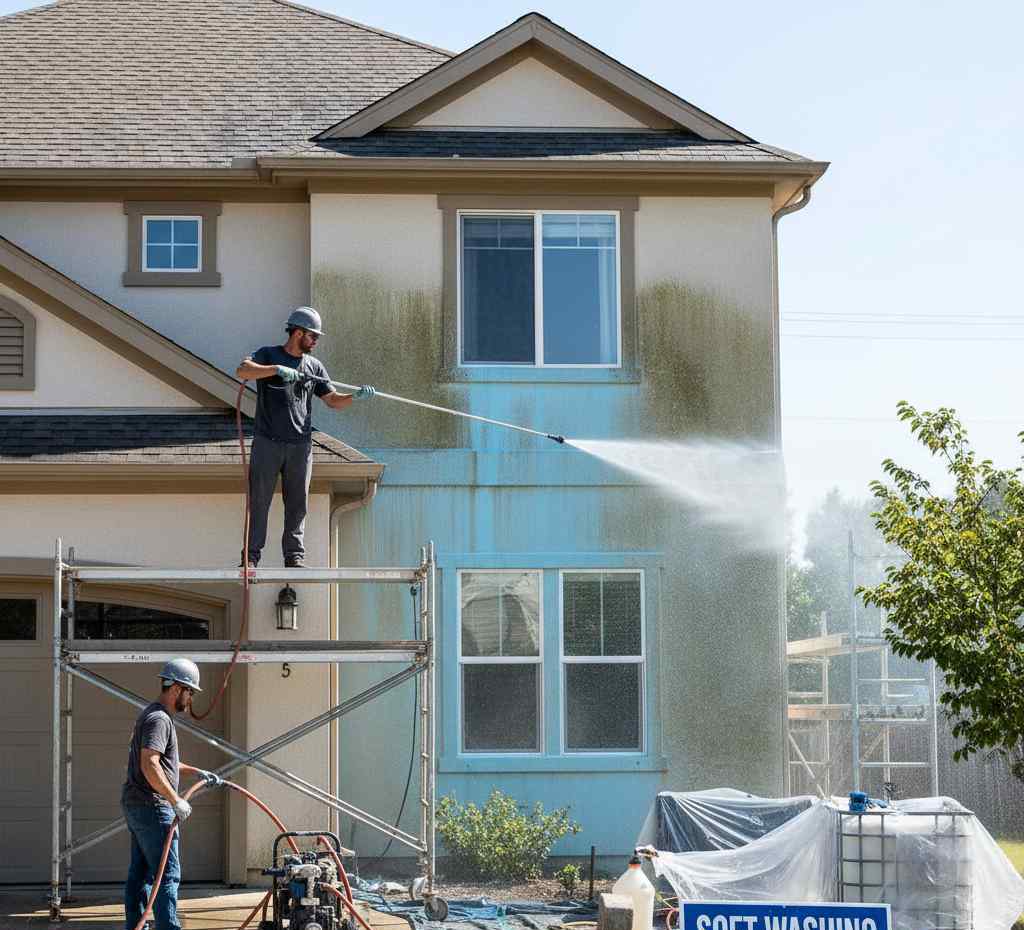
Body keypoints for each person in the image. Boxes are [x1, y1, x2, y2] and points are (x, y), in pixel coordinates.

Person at [235, 306, 375, 568]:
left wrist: (354, 397)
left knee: (298, 504)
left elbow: (333, 400)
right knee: (259, 501)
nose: (316, 341)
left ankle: (294, 556)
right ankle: (251, 558)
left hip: (300, 446)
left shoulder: (314, 367)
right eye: (313, 336)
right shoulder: (268, 354)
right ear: (298, 332)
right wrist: (275, 369)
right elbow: (243, 371)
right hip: (268, 442)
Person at [121, 658, 219, 930]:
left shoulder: (151, 715)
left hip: (137, 804)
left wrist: (196, 771)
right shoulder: (159, 719)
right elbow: (149, 763)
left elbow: (164, 762)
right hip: (153, 807)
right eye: (190, 692)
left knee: (140, 874)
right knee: (168, 876)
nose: (190, 699)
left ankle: (135, 926)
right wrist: (175, 800)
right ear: (176, 688)